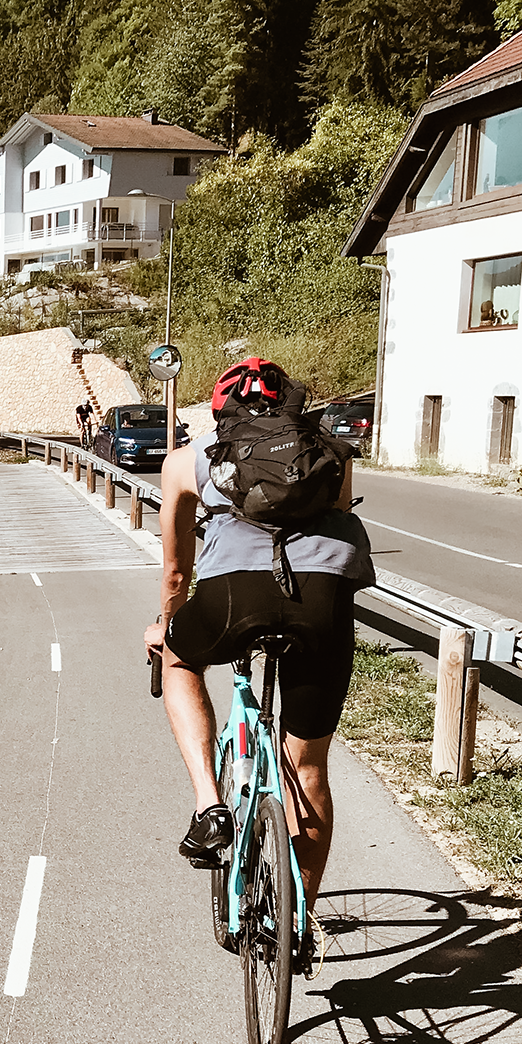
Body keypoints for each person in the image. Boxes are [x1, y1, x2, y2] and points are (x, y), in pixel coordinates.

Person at [142, 358, 374, 921]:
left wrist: (164, 624)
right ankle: (296, 924)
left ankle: (209, 804)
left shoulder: (185, 461)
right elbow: (336, 523)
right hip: (322, 600)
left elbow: (177, 572)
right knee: (309, 767)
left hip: (232, 598)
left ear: (220, 409)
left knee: (179, 659)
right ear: (292, 404)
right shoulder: (332, 453)